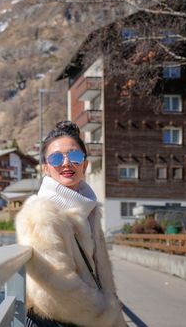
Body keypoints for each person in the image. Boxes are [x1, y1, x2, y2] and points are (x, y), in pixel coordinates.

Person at [16, 121, 126, 327]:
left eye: (74, 156)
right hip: (60, 321)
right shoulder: (41, 214)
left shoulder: (89, 209)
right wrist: (107, 312)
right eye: (56, 158)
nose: (66, 163)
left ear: (85, 164)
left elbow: (100, 274)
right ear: (46, 168)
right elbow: (53, 292)